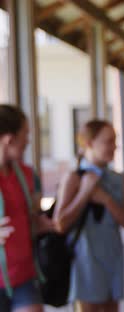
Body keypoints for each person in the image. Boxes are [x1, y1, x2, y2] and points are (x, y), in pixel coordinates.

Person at [53, 120, 124, 312]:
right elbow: (60, 224)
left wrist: (106, 200)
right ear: (89, 143)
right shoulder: (74, 178)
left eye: (115, 141)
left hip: (112, 256)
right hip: (84, 260)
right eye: (108, 141)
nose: (114, 146)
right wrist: (85, 193)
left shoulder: (117, 178)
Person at [0, 105, 53, 312]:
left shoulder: (28, 175)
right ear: (8, 139)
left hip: (24, 275)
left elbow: (31, 217)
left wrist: (42, 225)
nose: (28, 141)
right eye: (25, 135)